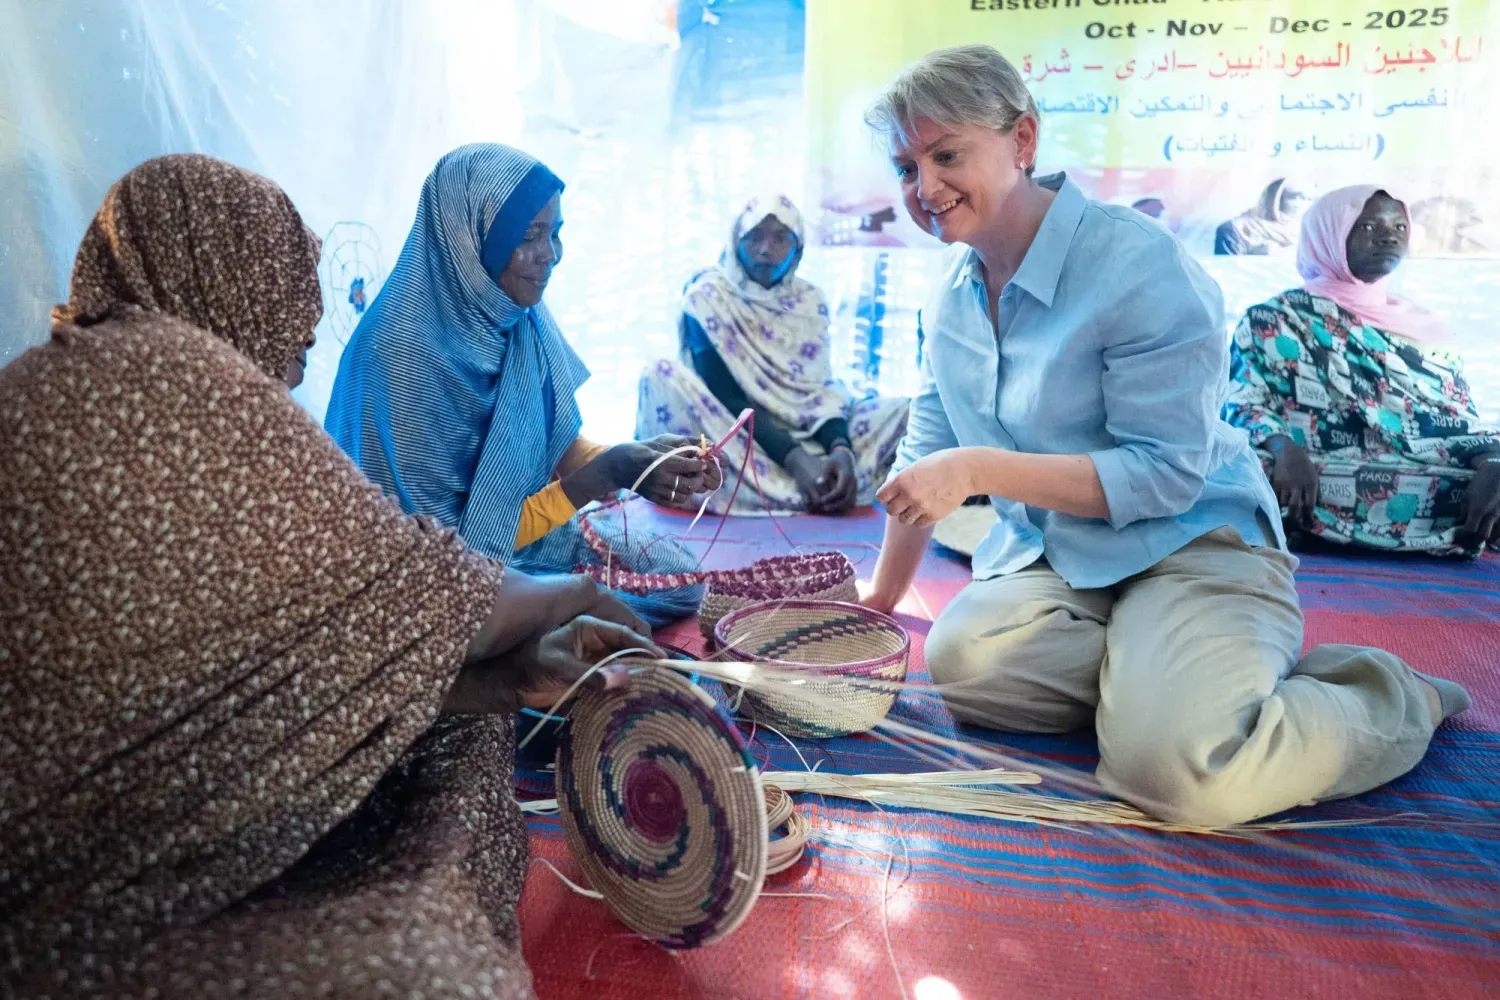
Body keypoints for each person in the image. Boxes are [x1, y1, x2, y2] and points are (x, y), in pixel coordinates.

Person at [0, 154, 661, 998]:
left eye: (555, 234)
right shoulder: (191, 380)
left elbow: (266, 656)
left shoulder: (86, 378)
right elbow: (407, 584)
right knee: (431, 927)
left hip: (137, 795)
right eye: (283, 272)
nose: (310, 313)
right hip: (82, 870)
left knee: (474, 720)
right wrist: (563, 595)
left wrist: (509, 669)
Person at [858, 45, 1469, 828]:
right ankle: (1168, 673)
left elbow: (1163, 476)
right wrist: (880, 596)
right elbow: (925, 451)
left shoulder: (1137, 264)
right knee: (963, 669)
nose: (925, 188)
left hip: (1190, 540)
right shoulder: (952, 293)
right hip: (1068, 562)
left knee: (1180, 778)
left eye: (947, 155)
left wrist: (979, 467)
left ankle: (1389, 696)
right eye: (906, 167)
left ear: (1022, 141)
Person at [325, 143, 718, 626]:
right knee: (601, 615)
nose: (549, 256)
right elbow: (448, 552)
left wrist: (641, 462)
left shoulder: (513, 314)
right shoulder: (399, 355)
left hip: (509, 544)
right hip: (425, 580)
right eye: (530, 236)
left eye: (555, 234)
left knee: (677, 579)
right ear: (470, 239)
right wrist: (601, 478)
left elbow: (557, 448)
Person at [1224, 186, 1500, 556]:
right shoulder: (1273, 318)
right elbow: (1241, 402)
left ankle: (1304, 529)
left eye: (1399, 227)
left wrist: (1491, 460)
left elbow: (1457, 419)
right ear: (1329, 236)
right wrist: (1284, 447)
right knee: (1245, 469)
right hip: (1308, 464)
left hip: (1417, 464)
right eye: (1368, 227)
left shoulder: (1426, 328)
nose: (1388, 236)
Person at [636, 192, 908, 514]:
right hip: (735, 435)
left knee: (904, 411)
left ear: (798, 248)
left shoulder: (810, 302)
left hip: (809, 435)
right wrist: (795, 458)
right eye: (754, 238)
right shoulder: (708, 297)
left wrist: (841, 449)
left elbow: (816, 393)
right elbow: (726, 396)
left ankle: (834, 479)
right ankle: (801, 487)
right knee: (659, 374)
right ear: (735, 241)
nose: (766, 250)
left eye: (781, 239)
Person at [1214, 177, 1315, 255]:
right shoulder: (1237, 229)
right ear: (1274, 199)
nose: (1305, 203)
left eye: (1309, 199)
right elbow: (1228, 271)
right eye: (1298, 197)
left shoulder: (1310, 232)